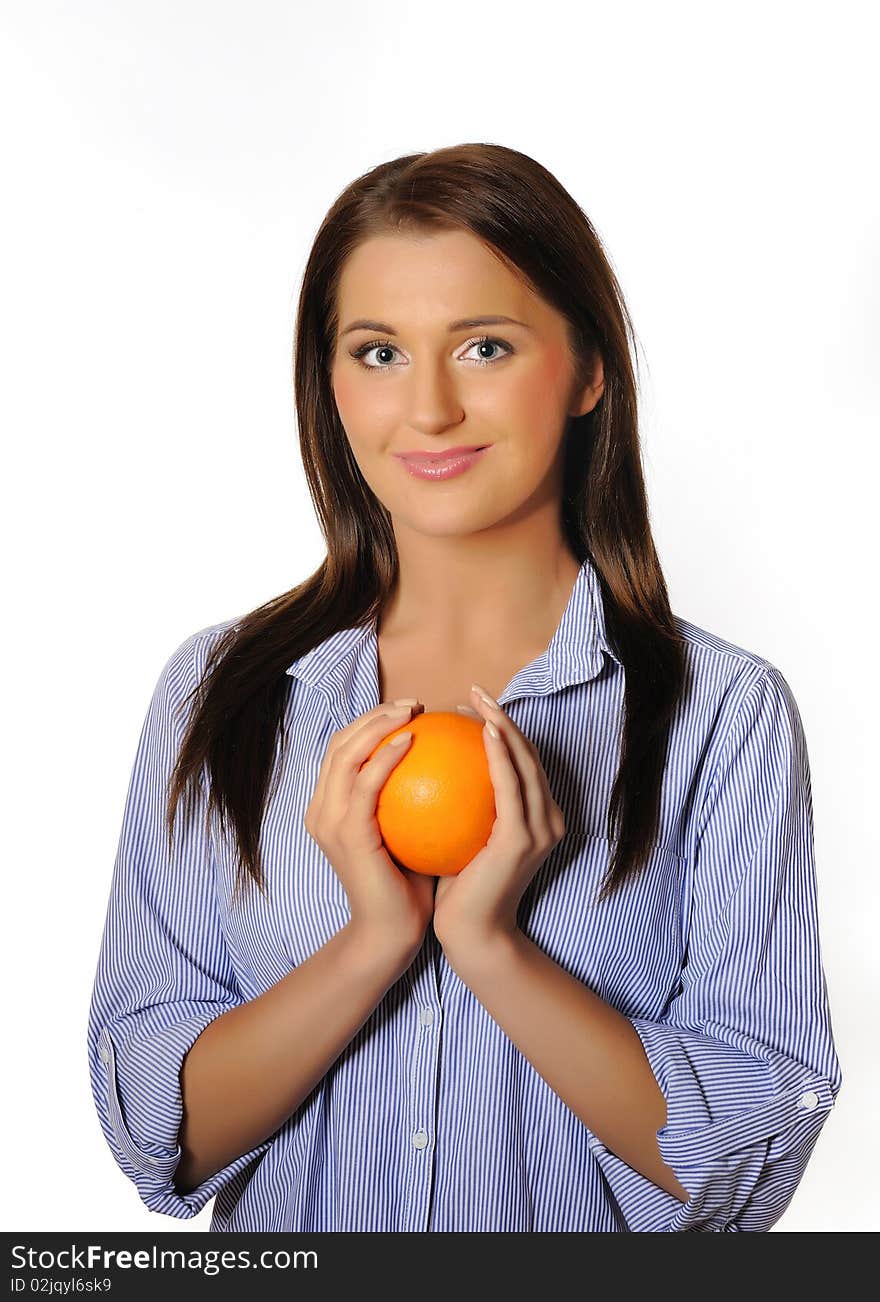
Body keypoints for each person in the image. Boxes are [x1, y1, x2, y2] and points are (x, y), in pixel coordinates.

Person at [87, 142, 842, 1233]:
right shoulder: (221, 694)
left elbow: (737, 1175)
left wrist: (492, 947)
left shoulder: (720, 715)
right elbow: (158, 1136)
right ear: (330, 383)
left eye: (484, 346)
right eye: (379, 351)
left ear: (588, 370)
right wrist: (372, 943)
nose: (429, 408)